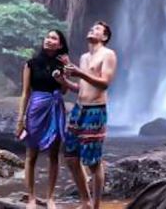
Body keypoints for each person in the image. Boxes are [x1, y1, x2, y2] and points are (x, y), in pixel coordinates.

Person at [56, 21, 117, 209]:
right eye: (91, 27)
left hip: (95, 111)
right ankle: (85, 201)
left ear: (104, 37)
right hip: (78, 109)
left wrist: (79, 73)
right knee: (71, 157)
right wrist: (64, 81)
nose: (92, 29)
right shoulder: (83, 57)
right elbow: (82, 88)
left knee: (93, 161)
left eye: (97, 29)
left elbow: (104, 83)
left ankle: (96, 205)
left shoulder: (108, 54)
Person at [15, 29, 71, 209]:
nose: (48, 40)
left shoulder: (62, 65)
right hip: (36, 108)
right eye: (47, 36)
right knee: (31, 154)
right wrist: (20, 119)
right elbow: (25, 93)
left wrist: (64, 77)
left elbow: (64, 91)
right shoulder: (31, 64)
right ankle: (31, 197)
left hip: (55, 108)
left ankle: (50, 197)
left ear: (60, 45)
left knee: (54, 154)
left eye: (53, 38)